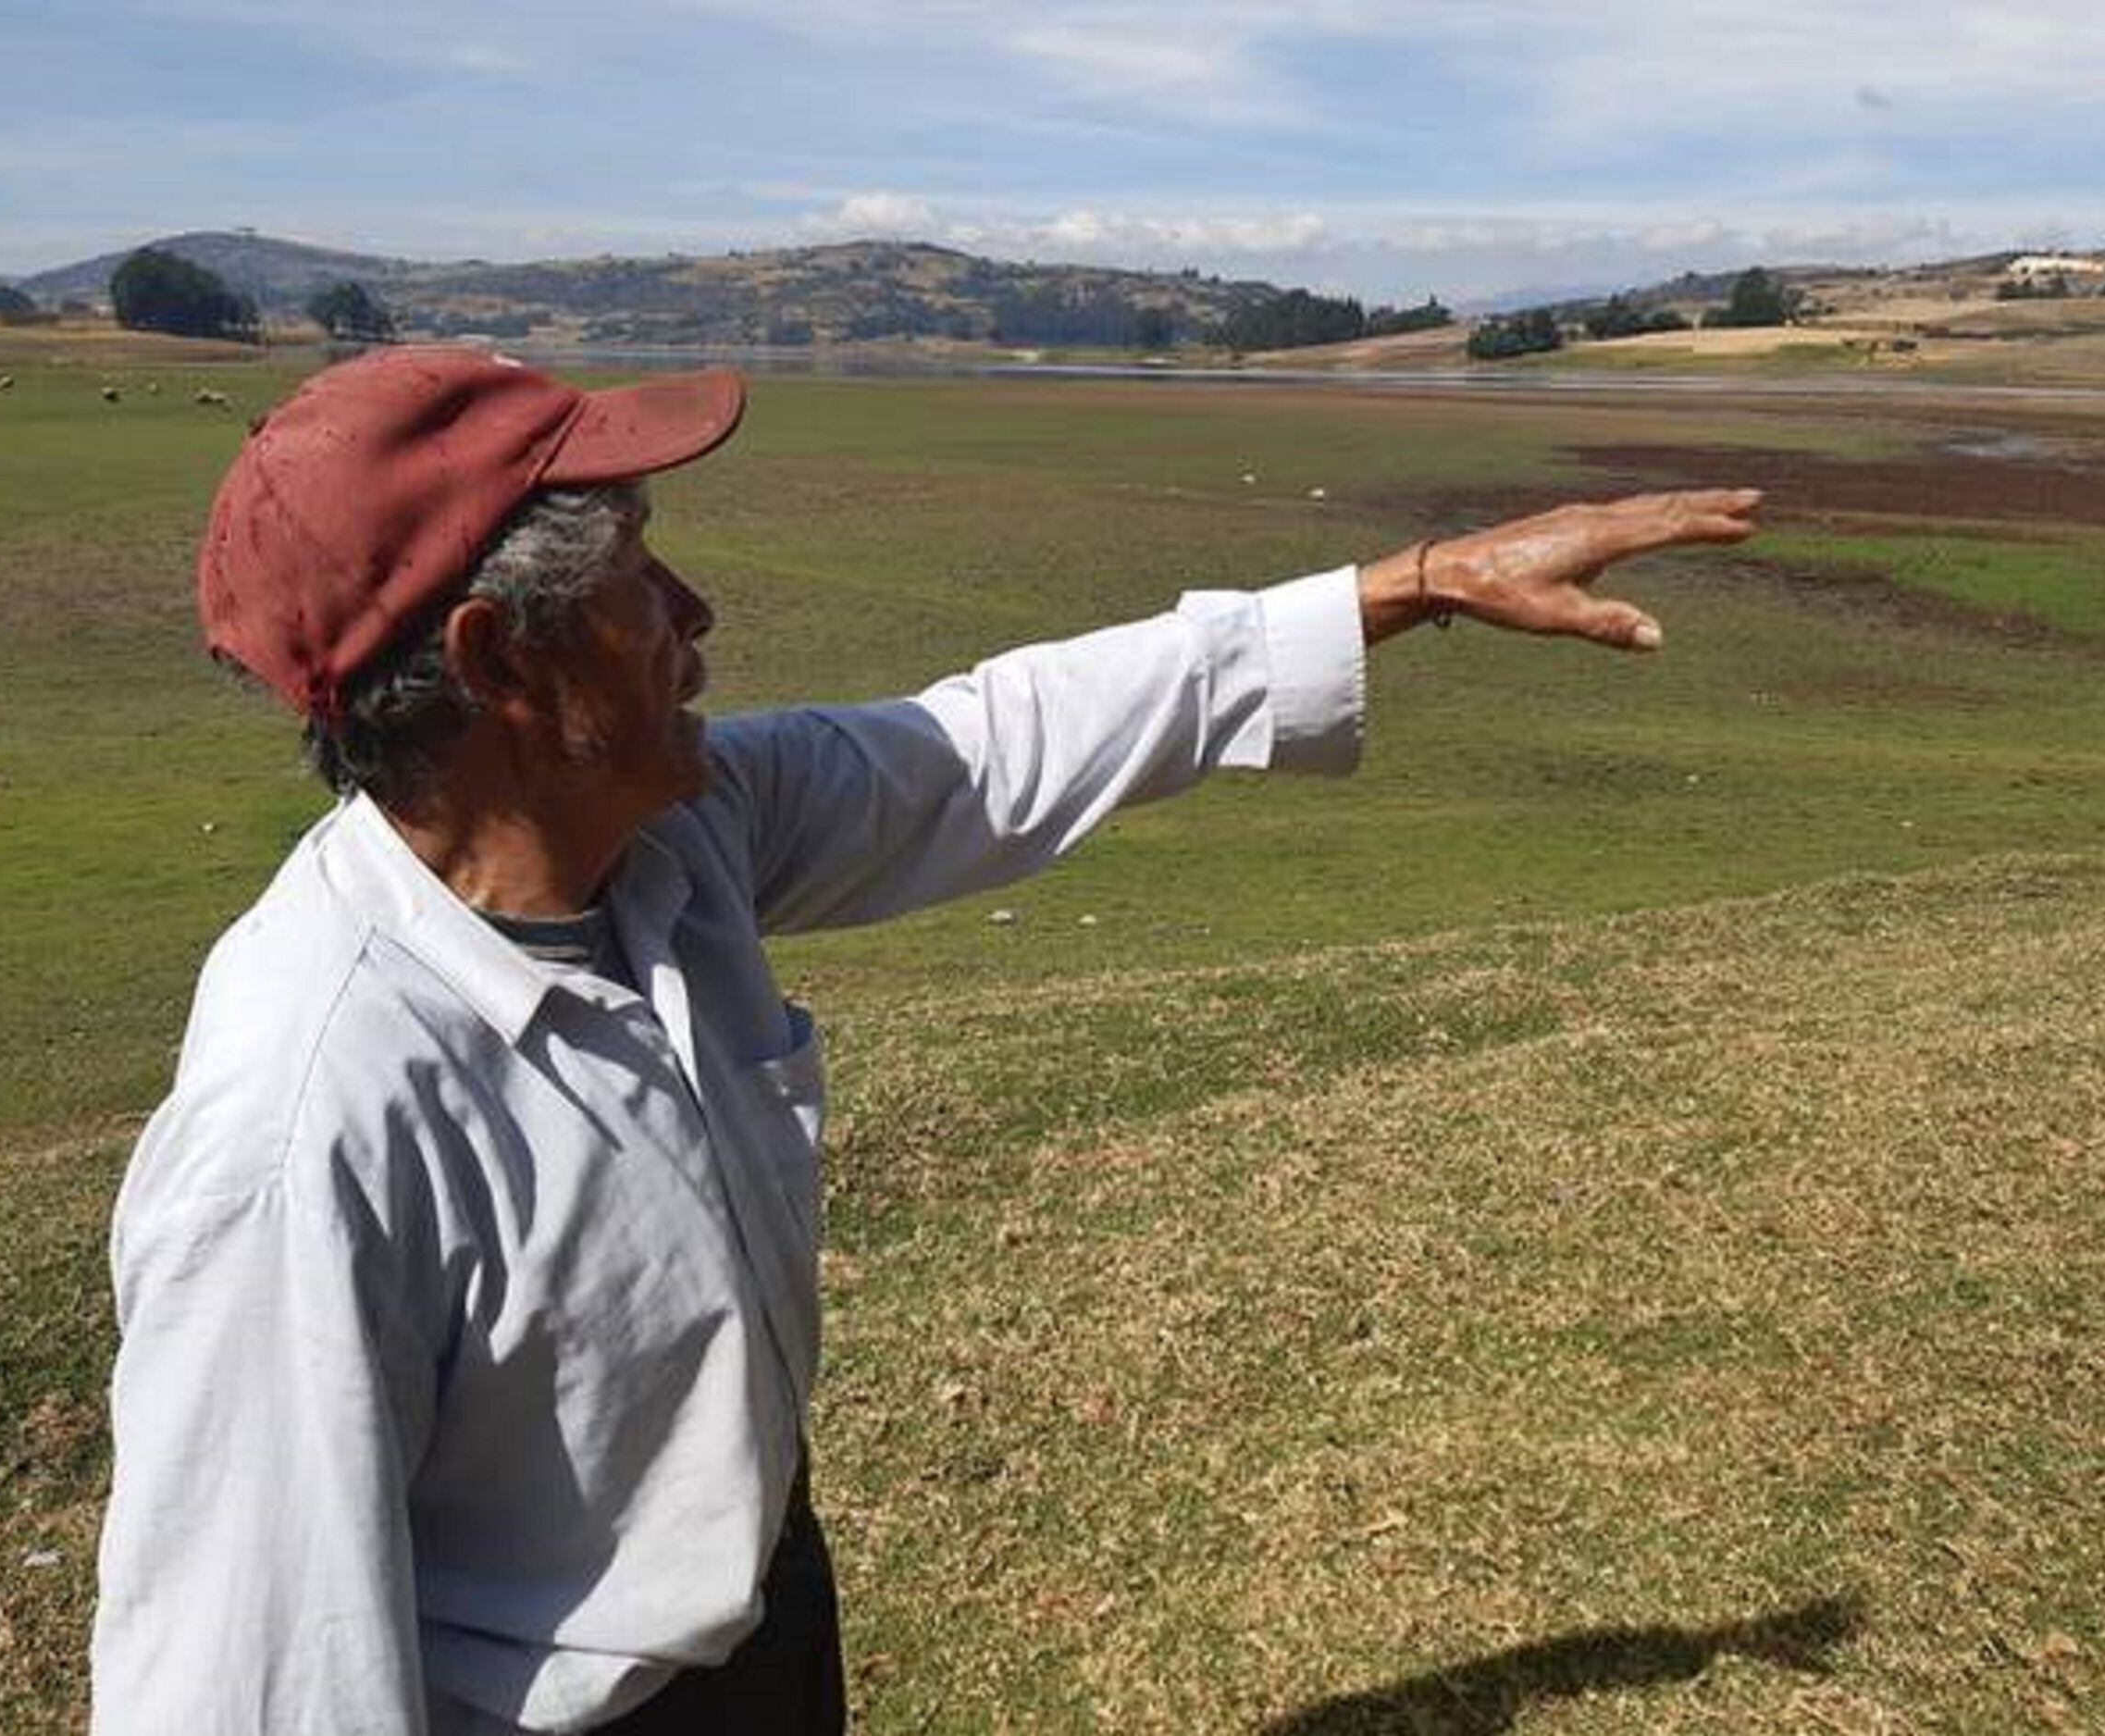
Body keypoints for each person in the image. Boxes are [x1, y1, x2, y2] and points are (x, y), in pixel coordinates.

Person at [91, 345, 1760, 1734]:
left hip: (756, 1633)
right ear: (497, 659)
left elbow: (992, 743)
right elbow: (250, 1676)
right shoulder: (310, 1125)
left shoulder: (669, 835)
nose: (696, 609)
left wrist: (1410, 585)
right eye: (635, 578)